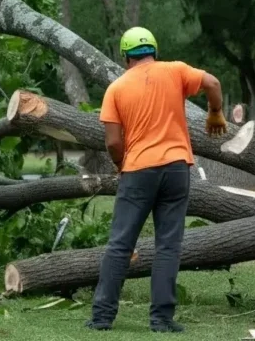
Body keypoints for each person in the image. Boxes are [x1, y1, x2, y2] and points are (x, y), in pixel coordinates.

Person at [86, 27, 227, 333]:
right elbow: (213, 83)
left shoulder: (117, 89)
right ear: (154, 51)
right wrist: (215, 113)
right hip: (176, 168)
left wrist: (121, 164)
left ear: (126, 58)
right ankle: (161, 320)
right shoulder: (175, 71)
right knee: (168, 246)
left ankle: (101, 318)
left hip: (138, 171)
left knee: (121, 244)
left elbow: (112, 142)